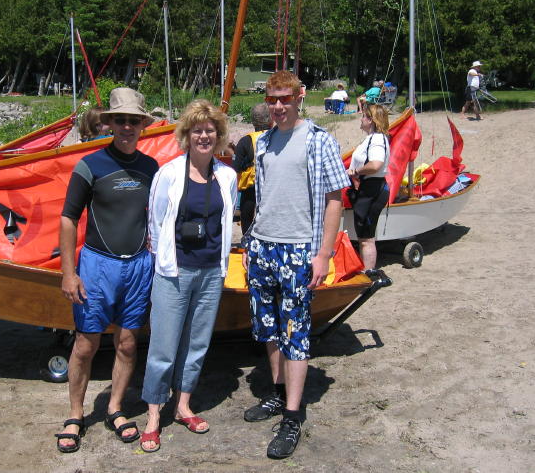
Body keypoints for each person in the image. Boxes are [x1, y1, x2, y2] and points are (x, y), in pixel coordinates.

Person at [241, 70, 350, 459]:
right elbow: (264, 196)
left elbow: (336, 198)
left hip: (299, 249)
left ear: (299, 97)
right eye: (273, 99)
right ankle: (278, 393)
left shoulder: (320, 141)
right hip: (262, 248)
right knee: (268, 329)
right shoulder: (264, 142)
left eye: (285, 98)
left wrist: (324, 253)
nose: (279, 106)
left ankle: (292, 415)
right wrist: (251, 243)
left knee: (296, 332)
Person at [55, 88, 158, 453]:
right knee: (86, 343)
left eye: (134, 121)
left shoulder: (151, 168)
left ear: (143, 125)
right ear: (109, 123)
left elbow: (161, 216)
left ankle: (114, 407)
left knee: (128, 342)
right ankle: (75, 413)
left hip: (138, 266)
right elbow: (68, 218)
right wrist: (69, 273)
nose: (127, 127)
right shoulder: (90, 166)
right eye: (121, 120)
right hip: (97, 265)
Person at [140, 100, 237, 453]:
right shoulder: (167, 173)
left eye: (210, 130)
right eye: (197, 129)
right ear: (186, 135)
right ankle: (153, 414)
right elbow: (155, 223)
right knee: (163, 347)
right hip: (174, 271)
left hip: (212, 272)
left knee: (196, 345)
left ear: (219, 135)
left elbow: (228, 223)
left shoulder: (227, 176)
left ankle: (182, 406)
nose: (204, 135)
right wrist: (162, 262)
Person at [346, 104, 391, 270]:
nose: (361, 118)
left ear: (371, 120)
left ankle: (368, 274)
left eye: (363, 116)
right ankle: (367, 272)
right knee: (364, 237)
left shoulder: (377, 139)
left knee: (366, 238)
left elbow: (375, 164)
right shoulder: (372, 138)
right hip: (368, 189)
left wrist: (355, 171)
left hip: (372, 190)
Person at [233, 103, 271, 234]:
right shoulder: (277, 137)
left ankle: (247, 242)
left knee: (247, 215)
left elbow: (236, 169)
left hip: (251, 187)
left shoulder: (245, 141)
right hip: (271, 186)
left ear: (253, 120)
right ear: (270, 118)